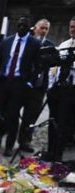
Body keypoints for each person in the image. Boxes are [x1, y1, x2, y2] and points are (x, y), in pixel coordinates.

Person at [0, 16, 41, 156]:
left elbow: (38, 66)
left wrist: (29, 82)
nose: (21, 28)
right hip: (3, 82)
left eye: (24, 26)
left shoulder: (34, 43)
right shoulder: (7, 41)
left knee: (12, 116)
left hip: (20, 84)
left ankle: (9, 145)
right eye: (19, 25)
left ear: (29, 27)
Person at [19, 18, 55, 153]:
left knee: (31, 116)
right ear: (35, 28)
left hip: (38, 87)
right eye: (42, 27)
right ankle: (7, 137)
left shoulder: (50, 45)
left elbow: (52, 64)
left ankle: (24, 141)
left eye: (46, 28)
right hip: (22, 84)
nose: (44, 31)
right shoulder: (25, 41)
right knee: (12, 111)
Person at [44, 16, 75, 162]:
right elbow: (55, 66)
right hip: (57, 88)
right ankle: (50, 152)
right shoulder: (64, 44)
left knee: (64, 124)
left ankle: (58, 155)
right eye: (71, 27)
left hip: (72, 90)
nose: (72, 30)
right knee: (53, 121)